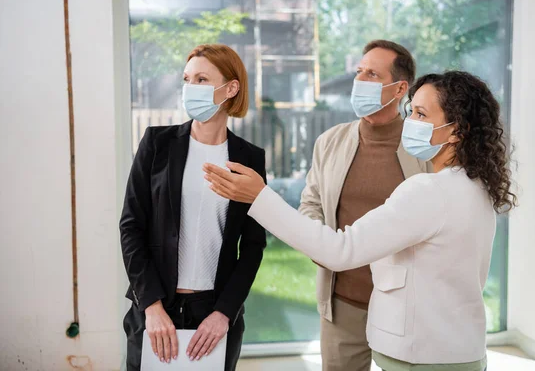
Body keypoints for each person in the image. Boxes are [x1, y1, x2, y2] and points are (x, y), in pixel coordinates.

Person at [204, 70, 517, 371]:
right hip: (457, 351)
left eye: (421, 114)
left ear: (458, 131)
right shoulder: (475, 187)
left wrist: (259, 196)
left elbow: (340, 250)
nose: (409, 122)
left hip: (423, 357)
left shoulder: (430, 191)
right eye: (411, 111)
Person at [120, 44, 267, 371]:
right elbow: (131, 227)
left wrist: (224, 313)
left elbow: (254, 246)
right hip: (155, 311)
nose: (190, 88)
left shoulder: (250, 158)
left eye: (202, 79)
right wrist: (152, 307)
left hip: (213, 317)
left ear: (230, 88)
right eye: (187, 79)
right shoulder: (156, 144)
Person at [299, 39, 429, 371]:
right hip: (343, 306)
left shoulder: (424, 148)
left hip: (407, 306)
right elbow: (311, 202)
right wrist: (318, 243)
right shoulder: (330, 141)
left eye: (372, 73)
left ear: (400, 88)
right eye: (359, 71)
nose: (359, 80)